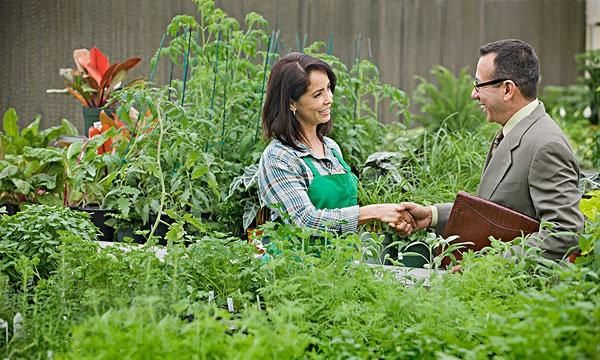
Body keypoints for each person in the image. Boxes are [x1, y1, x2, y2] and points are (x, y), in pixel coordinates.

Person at [397, 39, 584, 260]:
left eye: (479, 85)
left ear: (507, 89)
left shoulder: (545, 145)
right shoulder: (514, 131)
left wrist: (489, 263)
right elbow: (498, 211)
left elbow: (564, 233)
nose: (473, 95)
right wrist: (432, 215)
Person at [257, 52, 414, 234]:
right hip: (297, 261)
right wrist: (375, 211)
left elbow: (348, 212)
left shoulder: (331, 148)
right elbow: (303, 221)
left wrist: (391, 219)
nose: (329, 99)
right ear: (292, 103)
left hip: (342, 258)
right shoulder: (279, 157)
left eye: (329, 88)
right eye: (318, 94)